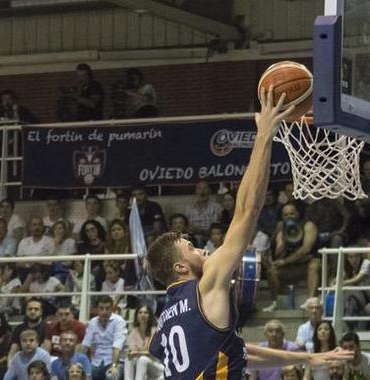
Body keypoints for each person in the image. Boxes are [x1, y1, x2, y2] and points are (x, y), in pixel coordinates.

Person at [145, 88, 352, 379]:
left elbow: (241, 353)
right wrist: (265, 135)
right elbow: (246, 212)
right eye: (191, 248)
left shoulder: (164, 323)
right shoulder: (205, 286)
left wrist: (308, 357)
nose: (203, 250)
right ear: (180, 267)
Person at [263, 202, 320, 311]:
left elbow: (306, 249)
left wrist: (285, 261)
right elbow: (277, 255)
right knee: (272, 272)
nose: (289, 217)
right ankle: (275, 302)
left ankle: (311, 300)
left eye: (292, 214)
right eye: (286, 215)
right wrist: (283, 239)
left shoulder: (308, 226)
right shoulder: (282, 231)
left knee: (315, 265)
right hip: (292, 267)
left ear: (298, 214)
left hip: (307, 263)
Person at [79, 296, 127, 380]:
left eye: (107, 308)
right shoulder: (93, 322)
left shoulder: (119, 321)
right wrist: (77, 363)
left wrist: (114, 365)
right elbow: (85, 345)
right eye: (101, 308)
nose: (104, 312)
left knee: (112, 375)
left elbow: (117, 347)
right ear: (97, 309)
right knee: (78, 373)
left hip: (115, 361)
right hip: (96, 362)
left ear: (112, 309)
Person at [124, 305, 163, 380]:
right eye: (140, 312)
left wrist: (138, 353)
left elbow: (153, 353)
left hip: (156, 366)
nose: (143, 315)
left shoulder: (155, 331)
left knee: (143, 359)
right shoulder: (134, 331)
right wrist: (132, 353)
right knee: (128, 359)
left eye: (145, 313)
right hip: (140, 364)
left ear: (150, 316)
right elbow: (131, 351)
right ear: (137, 316)